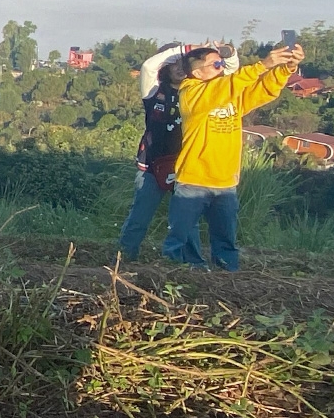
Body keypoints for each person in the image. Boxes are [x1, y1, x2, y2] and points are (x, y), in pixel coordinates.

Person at [161, 42, 304, 270]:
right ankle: (178, 279)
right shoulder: (191, 92)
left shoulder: (229, 93)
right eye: (215, 64)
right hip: (194, 180)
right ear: (197, 72)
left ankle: (227, 277)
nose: (221, 67)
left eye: (222, 63)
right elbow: (227, 86)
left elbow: (262, 90)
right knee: (181, 238)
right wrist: (263, 64)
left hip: (226, 182)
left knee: (225, 240)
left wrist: (286, 68)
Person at [117, 41, 238, 261]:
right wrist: (183, 50)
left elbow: (230, 76)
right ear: (166, 65)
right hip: (152, 165)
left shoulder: (200, 92)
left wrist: (221, 55)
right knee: (139, 218)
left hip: (186, 167)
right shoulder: (154, 90)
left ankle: (189, 266)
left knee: (186, 224)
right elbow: (148, 67)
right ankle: (123, 259)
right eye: (174, 63)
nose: (180, 67)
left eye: (185, 63)